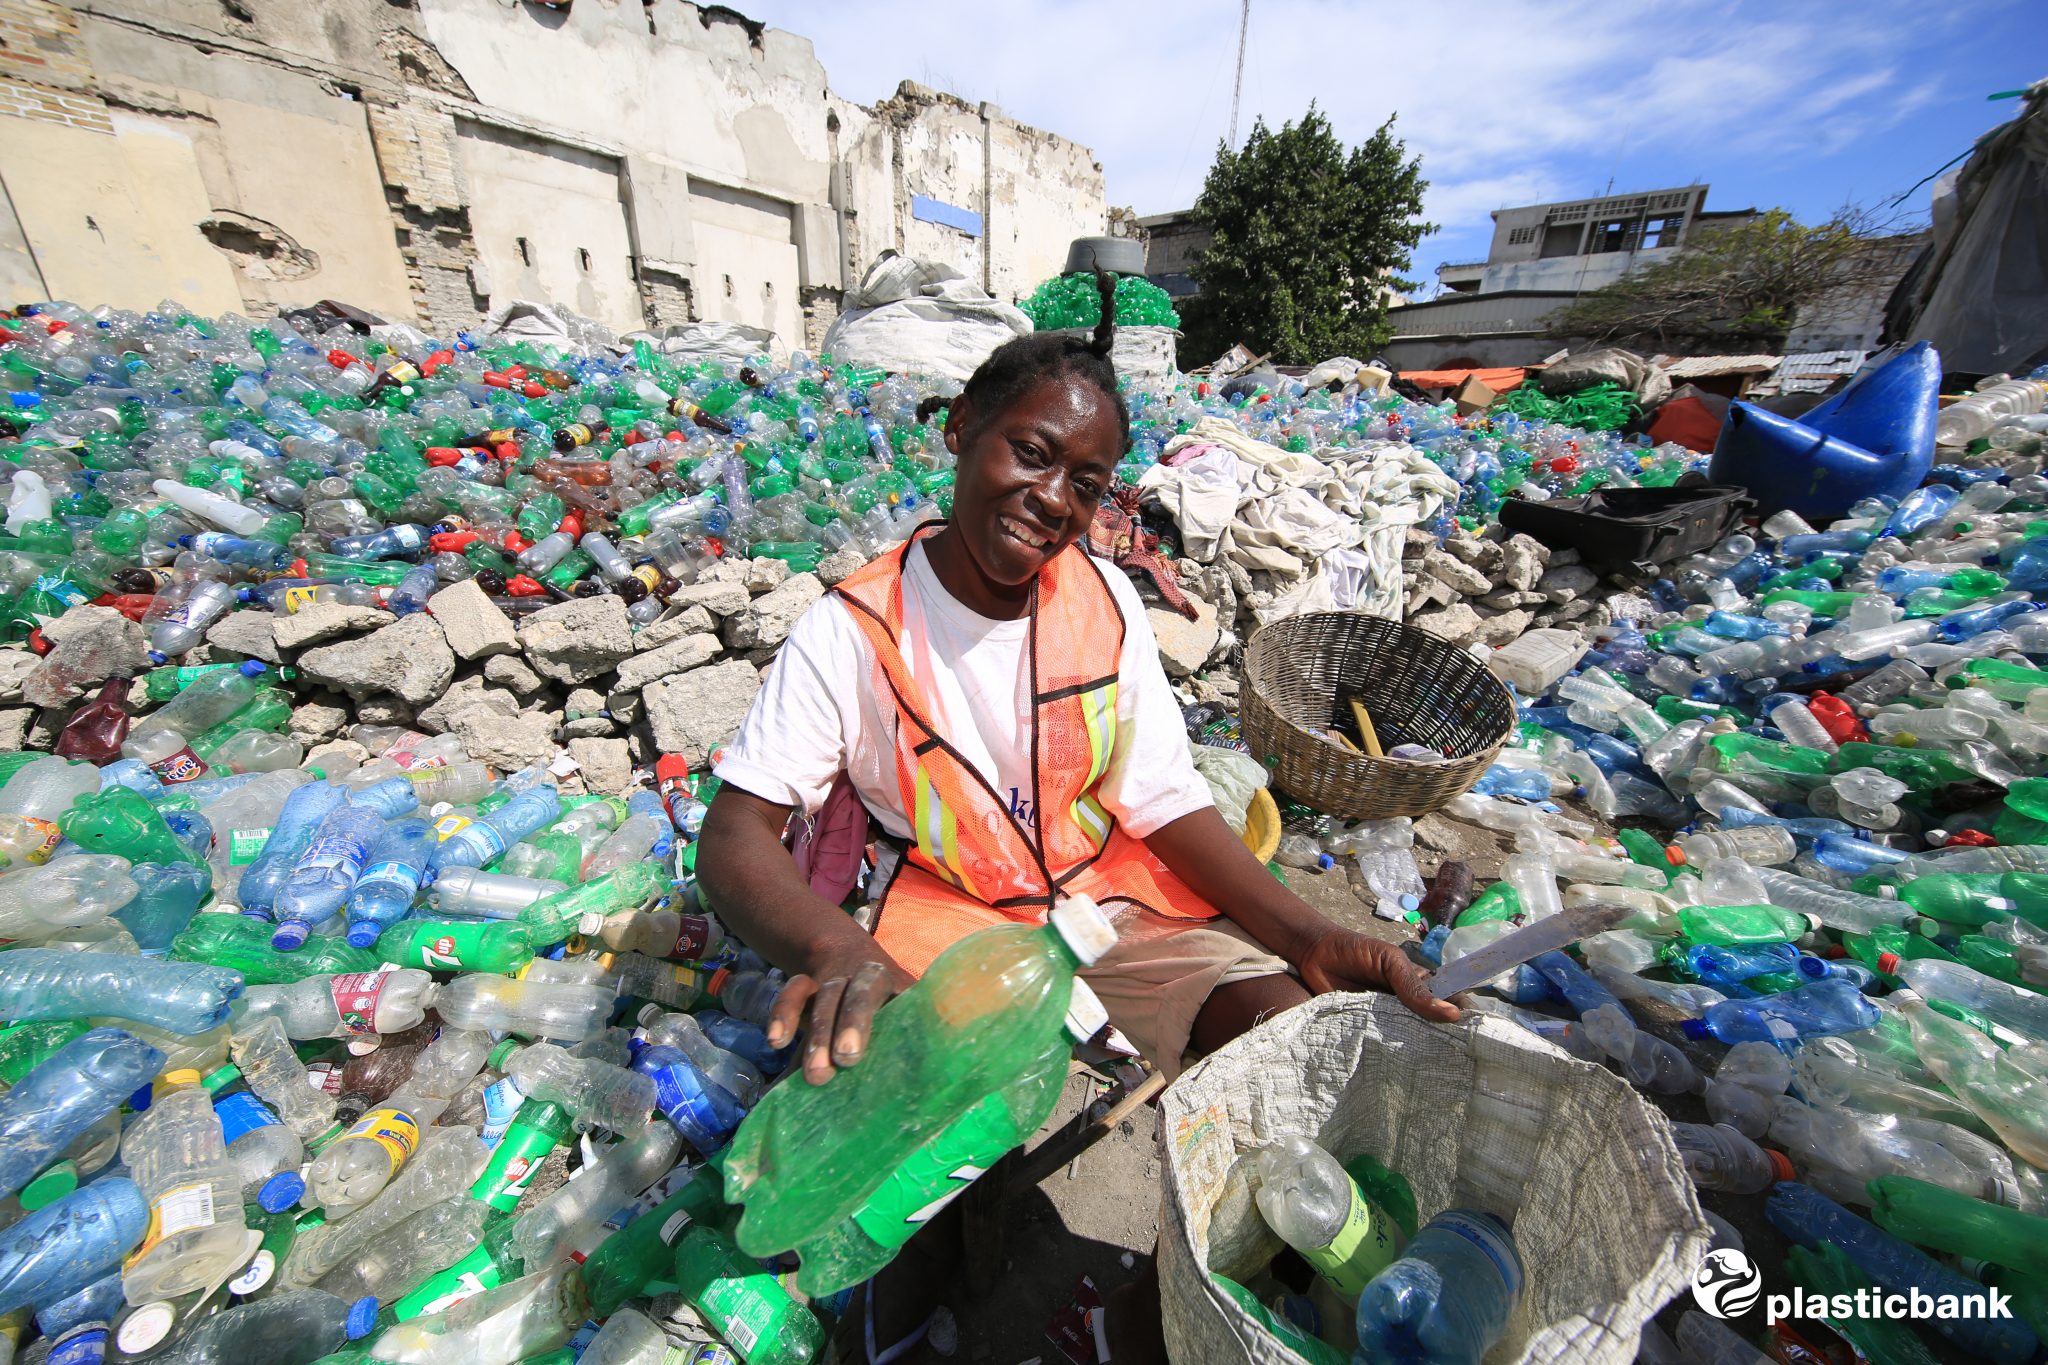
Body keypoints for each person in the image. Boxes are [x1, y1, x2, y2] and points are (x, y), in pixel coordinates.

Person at [697, 269, 1457, 1360]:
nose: (1053, 497)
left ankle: (1151, 1321)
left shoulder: (1100, 598)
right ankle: (906, 1301)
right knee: (905, 1110)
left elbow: (1163, 799)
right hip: (952, 913)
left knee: (1285, 1039)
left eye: (1086, 481)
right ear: (960, 431)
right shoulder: (850, 630)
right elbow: (733, 836)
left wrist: (1300, 931)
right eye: (1031, 453)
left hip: (1107, 899)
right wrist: (830, 943)